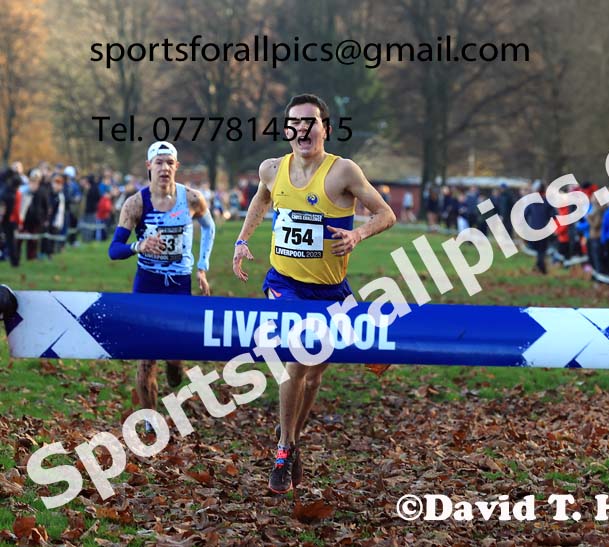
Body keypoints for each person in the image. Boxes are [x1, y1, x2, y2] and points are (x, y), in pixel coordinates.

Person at [231, 94, 396, 495]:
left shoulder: (343, 172)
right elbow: (261, 199)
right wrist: (241, 240)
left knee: (315, 373)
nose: (302, 130)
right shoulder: (271, 169)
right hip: (284, 284)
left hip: (330, 288)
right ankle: (284, 448)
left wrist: (357, 234)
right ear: (286, 129)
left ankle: (292, 434)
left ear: (326, 128)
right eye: (295, 123)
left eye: (311, 123)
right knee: (296, 362)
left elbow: (386, 213)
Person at [108, 141, 215, 432]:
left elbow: (209, 227)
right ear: (149, 166)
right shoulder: (136, 203)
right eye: (159, 162)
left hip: (179, 284)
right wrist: (138, 245)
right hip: (148, 284)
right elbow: (114, 250)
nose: (165, 168)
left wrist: (202, 267)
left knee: (174, 356)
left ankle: (175, 363)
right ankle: (149, 420)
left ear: (176, 167)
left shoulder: (192, 199)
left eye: (170, 162)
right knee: (146, 357)